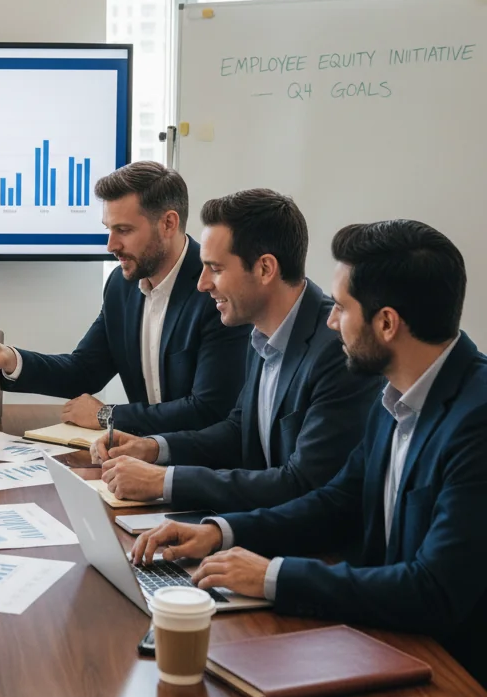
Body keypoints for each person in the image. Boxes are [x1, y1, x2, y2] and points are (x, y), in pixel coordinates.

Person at [133, 220, 487, 686]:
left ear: (386, 323)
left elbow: (433, 589)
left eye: (342, 307)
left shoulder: (475, 421)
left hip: (455, 682)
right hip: (390, 641)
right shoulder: (396, 392)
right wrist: (221, 533)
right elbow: (335, 502)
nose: (331, 320)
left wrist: (273, 576)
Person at [93, 190, 381, 512]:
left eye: (215, 269)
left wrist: (163, 481)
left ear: (265, 269)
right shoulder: (260, 332)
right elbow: (238, 430)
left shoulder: (335, 351)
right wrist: (152, 448)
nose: (202, 284)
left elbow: (301, 483)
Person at [0, 161, 249, 434]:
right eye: (108, 229)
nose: (111, 245)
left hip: (204, 467)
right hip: (145, 456)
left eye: (123, 230)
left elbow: (210, 411)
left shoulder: (216, 288)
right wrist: (8, 358)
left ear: (168, 223)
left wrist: (107, 416)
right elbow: (83, 371)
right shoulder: (121, 286)